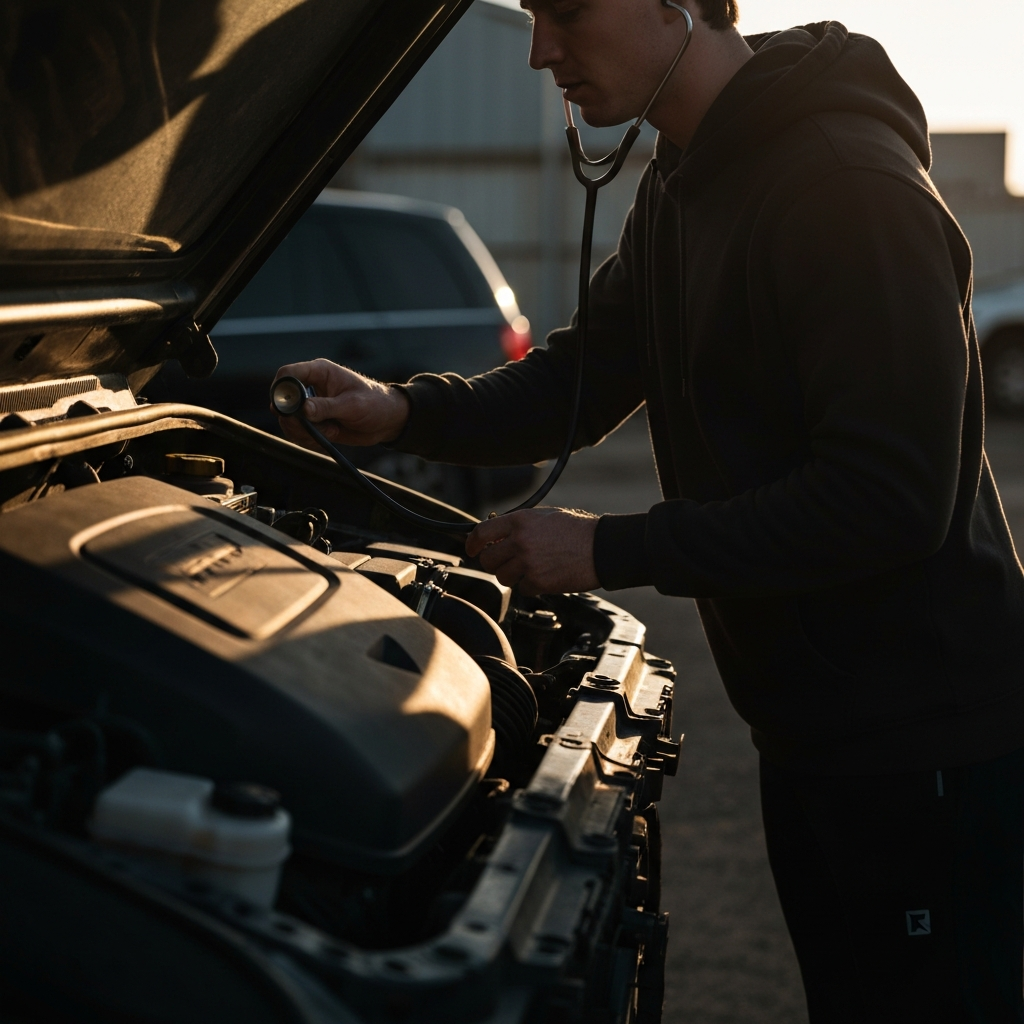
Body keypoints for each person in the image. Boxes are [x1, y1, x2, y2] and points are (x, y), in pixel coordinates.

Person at [275, 1, 1024, 1019]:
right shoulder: (684, 176)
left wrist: (606, 547)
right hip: (815, 733)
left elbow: (887, 499)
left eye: (566, 12)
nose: (541, 50)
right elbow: (583, 377)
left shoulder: (845, 187)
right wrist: (404, 408)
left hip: (922, 747)